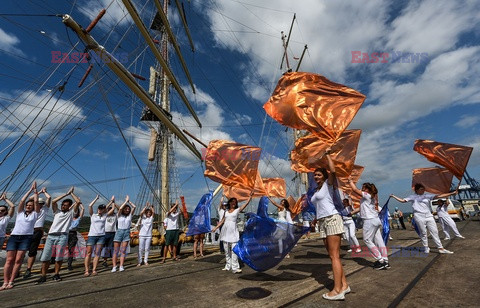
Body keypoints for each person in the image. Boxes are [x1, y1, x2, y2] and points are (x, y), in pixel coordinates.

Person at [310, 148, 349, 301]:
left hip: (332, 219)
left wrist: (327, 155)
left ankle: (337, 290)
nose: (316, 177)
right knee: (332, 256)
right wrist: (315, 219)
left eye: (319, 174)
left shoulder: (328, 184)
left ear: (324, 176)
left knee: (334, 256)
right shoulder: (317, 190)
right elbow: (319, 207)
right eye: (315, 175)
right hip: (322, 221)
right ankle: (344, 284)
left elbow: (333, 170)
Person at [391, 183, 457, 254]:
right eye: (421, 189)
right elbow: (403, 201)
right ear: (417, 190)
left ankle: (440, 248)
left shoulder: (426, 196)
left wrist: (452, 193)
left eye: (423, 189)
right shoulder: (412, 197)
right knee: (423, 232)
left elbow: (438, 196)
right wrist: (393, 196)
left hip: (429, 216)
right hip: (419, 216)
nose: (423, 190)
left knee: (434, 231)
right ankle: (426, 247)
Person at [35, 187, 80, 284]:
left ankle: (56, 274)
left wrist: (71, 194)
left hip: (63, 236)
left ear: (69, 206)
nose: (63, 206)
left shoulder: (71, 213)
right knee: (45, 257)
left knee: (59, 257)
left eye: (66, 205)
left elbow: (78, 202)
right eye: (63, 205)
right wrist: (65, 194)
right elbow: (54, 201)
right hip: (51, 236)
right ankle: (43, 276)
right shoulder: (57, 212)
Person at [2, 182, 40, 290]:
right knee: (9, 260)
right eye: (27, 205)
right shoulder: (20, 213)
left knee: (18, 260)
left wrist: (35, 191)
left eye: (30, 206)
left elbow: (36, 202)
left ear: (33, 208)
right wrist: (29, 190)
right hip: (14, 237)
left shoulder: (35, 214)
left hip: (26, 238)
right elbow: (22, 201)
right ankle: (5, 281)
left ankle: (11, 281)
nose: (28, 206)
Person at [349, 180, 389, 270]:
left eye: (363, 188)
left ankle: (380, 260)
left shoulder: (367, 195)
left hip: (369, 221)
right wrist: (351, 213)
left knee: (367, 240)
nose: (361, 189)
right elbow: (361, 208)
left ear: (366, 189)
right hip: (375, 220)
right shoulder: (371, 197)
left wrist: (350, 181)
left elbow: (354, 189)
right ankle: (385, 260)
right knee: (379, 240)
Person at [212, 195, 252, 274]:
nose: (234, 203)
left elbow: (245, 205)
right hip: (225, 231)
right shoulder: (226, 211)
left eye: (235, 202)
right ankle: (228, 266)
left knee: (234, 250)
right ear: (229, 203)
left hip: (233, 231)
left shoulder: (237, 210)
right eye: (232, 202)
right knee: (226, 250)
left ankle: (235, 267)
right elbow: (222, 221)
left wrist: (249, 198)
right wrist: (216, 227)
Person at [23, 187, 51, 279]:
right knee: (21, 251)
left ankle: (28, 269)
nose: (40, 204)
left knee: (32, 251)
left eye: (41, 203)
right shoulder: (32, 210)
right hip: (27, 231)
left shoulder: (45, 209)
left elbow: (49, 198)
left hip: (37, 231)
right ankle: (19, 269)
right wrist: (38, 192)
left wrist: (44, 192)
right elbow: (30, 199)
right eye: (38, 203)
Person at [84, 195, 115, 276]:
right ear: (98, 209)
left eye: (102, 209)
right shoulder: (93, 215)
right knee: (89, 253)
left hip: (101, 236)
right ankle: (87, 270)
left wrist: (112, 202)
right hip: (92, 236)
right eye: (100, 208)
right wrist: (96, 198)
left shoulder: (105, 216)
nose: (101, 210)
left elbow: (112, 209)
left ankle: (94, 269)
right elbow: (90, 206)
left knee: (97, 253)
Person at [112, 196, 136, 272]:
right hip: (119, 231)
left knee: (123, 251)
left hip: (126, 232)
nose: (127, 210)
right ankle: (114, 266)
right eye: (126, 209)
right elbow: (120, 209)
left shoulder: (129, 216)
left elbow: (134, 207)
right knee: (116, 250)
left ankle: (121, 266)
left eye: (128, 209)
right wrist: (125, 202)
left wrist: (129, 202)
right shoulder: (119, 215)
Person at [67, 202, 85, 271]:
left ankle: (69, 264)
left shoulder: (78, 218)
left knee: (71, 250)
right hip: (66, 233)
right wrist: (75, 203)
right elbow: (68, 209)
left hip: (73, 233)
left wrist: (79, 203)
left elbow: (83, 209)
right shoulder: (69, 217)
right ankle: (53, 260)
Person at [102, 201, 119, 268]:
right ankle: (103, 261)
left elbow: (119, 209)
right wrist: (110, 202)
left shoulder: (115, 215)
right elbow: (104, 209)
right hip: (105, 232)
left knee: (111, 248)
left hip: (113, 233)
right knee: (103, 247)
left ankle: (110, 262)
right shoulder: (105, 215)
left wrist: (114, 204)